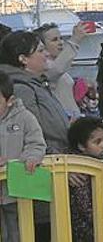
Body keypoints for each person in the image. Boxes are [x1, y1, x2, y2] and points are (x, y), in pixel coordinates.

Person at [0, 31, 70, 154]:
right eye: (41, 51)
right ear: (23, 59)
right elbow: (30, 134)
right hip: (48, 162)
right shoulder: (21, 89)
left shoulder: (34, 83)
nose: (47, 54)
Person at [0, 70, 47, 242]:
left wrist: (30, 158)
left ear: (10, 100)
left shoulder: (25, 117)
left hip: (16, 190)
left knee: (18, 232)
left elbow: (36, 143)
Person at [66, 116, 103, 242]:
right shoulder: (80, 169)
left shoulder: (100, 160)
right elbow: (84, 208)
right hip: (86, 231)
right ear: (81, 146)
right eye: (97, 142)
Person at [34, 22, 87, 120]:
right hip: (62, 122)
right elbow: (57, 69)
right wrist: (75, 40)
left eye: (61, 38)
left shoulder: (55, 63)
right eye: (54, 40)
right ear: (42, 45)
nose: (60, 42)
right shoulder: (44, 67)